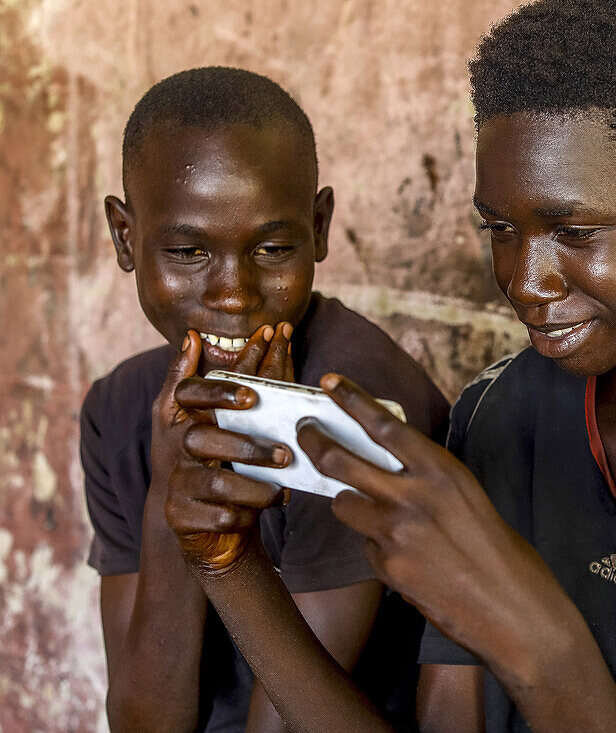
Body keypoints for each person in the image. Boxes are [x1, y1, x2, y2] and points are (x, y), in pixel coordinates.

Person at [163, 1, 616, 731]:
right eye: (500, 229)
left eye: (576, 231)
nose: (526, 280)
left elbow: (537, 655)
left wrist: (541, 647)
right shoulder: (500, 413)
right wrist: (232, 569)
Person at [81, 66, 449, 731]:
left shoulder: (353, 403)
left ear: (320, 227)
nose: (233, 293)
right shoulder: (118, 407)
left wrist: (223, 547)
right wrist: (173, 493)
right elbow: (142, 719)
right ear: (125, 237)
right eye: (188, 250)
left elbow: (286, 722)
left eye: (274, 247)